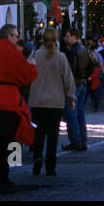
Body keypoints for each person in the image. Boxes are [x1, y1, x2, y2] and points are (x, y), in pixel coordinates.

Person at [0, 24, 37, 187]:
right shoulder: (14, 54)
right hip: (9, 101)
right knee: (6, 140)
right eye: (16, 36)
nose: (18, 39)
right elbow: (27, 75)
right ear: (9, 36)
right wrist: (32, 64)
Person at [27, 28, 75, 177]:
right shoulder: (60, 57)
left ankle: (37, 157)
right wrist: (71, 97)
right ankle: (50, 166)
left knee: (38, 132)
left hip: (37, 101)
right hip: (55, 102)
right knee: (53, 136)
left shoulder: (34, 56)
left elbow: (27, 75)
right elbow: (68, 79)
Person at [61, 29, 94, 151]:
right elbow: (92, 65)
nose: (66, 38)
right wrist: (85, 76)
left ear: (75, 37)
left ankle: (76, 141)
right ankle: (82, 140)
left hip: (74, 84)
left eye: (68, 36)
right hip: (82, 83)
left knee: (71, 114)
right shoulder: (84, 49)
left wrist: (71, 80)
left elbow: (70, 69)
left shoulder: (72, 52)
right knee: (80, 113)